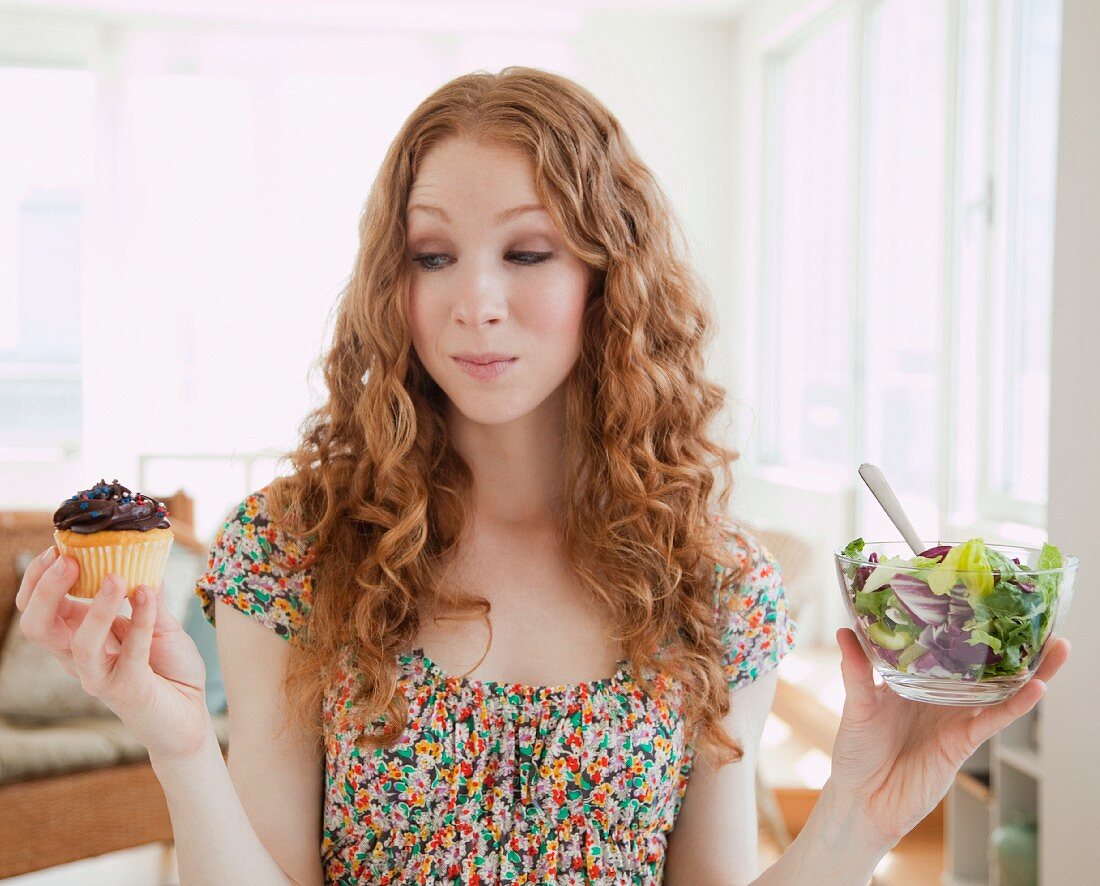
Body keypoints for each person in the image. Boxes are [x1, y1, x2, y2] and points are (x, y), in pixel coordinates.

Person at [16, 67, 1070, 886]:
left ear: (610, 276)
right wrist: (181, 747)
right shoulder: (292, 547)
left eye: (527, 253)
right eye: (432, 255)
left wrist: (858, 815)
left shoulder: (714, 583)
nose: (475, 300)